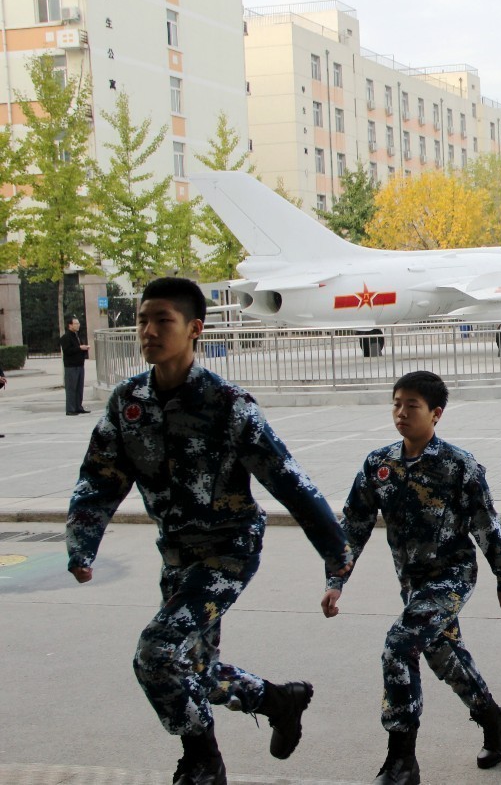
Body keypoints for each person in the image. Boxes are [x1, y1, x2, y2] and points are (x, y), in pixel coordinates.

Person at [66, 277, 353, 785]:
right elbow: (100, 479)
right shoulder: (128, 402)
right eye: (142, 320)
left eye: (163, 321)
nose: (149, 331)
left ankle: (203, 760)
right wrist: (81, 544)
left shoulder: (227, 404)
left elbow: (287, 479)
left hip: (229, 551)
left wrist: (335, 555)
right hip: (177, 555)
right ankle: (277, 700)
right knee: (192, 668)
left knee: (156, 653)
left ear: (195, 329)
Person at [323, 370, 501, 780]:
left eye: (412, 405)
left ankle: (401, 759)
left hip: (452, 577)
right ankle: (493, 718)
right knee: (444, 654)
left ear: (436, 414)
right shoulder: (380, 465)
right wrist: (335, 580)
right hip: (412, 583)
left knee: (399, 645)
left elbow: (486, 522)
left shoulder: (457, 465)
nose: (401, 412)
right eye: (396, 404)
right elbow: (354, 524)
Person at [61, 316, 91, 415]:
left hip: (80, 365)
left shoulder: (77, 336)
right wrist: (79, 348)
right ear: (70, 325)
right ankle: (70, 409)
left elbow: (79, 349)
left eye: (78, 323)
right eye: (75, 323)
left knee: (79, 387)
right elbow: (67, 351)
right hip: (71, 366)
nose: (78, 325)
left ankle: (78, 406)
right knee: (71, 388)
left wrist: (85, 348)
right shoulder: (66, 337)